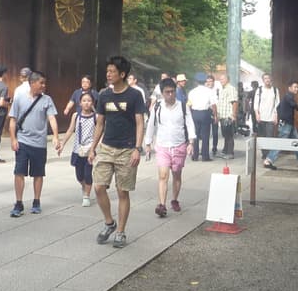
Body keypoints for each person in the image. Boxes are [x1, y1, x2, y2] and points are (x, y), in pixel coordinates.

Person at [88, 55, 146, 248]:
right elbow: (99, 123)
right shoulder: (104, 95)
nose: (109, 74)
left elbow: (140, 122)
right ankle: (109, 223)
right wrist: (92, 148)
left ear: (123, 74)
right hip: (106, 147)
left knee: (123, 192)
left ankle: (120, 232)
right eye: (108, 71)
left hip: (127, 149)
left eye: (112, 71)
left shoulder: (135, 95)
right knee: (98, 187)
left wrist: (138, 148)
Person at [8, 70, 60, 216]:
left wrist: (56, 136)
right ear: (32, 83)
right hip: (22, 141)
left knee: (38, 173)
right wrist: (13, 139)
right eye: (41, 83)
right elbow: (12, 120)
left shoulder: (47, 100)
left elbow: (52, 119)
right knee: (19, 172)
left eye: (44, 83)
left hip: (39, 143)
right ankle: (18, 203)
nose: (44, 86)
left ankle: (36, 201)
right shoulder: (19, 99)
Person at [145, 77, 196, 218]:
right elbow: (151, 125)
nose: (170, 95)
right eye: (167, 92)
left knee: (176, 174)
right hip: (162, 145)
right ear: (162, 93)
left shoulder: (183, 105)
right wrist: (148, 143)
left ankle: (174, 199)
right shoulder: (157, 107)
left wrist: (191, 142)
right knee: (163, 175)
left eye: (172, 91)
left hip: (179, 145)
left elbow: (190, 123)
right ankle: (161, 204)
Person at [264, 80, 298, 169]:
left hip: (289, 124)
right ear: (289, 88)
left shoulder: (287, 97)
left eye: (297, 87)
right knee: (281, 142)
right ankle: (268, 160)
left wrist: (281, 117)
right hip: (286, 124)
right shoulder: (288, 97)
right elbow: (297, 108)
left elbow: (278, 107)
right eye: (295, 87)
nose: (296, 89)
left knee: (296, 142)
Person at [58, 92, 97, 206]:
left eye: (89, 101)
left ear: (92, 103)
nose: (86, 103)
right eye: (84, 101)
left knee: (88, 174)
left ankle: (86, 196)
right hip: (77, 149)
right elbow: (70, 130)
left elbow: (100, 132)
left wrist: (95, 147)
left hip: (90, 150)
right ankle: (84, 187)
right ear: (80, 103)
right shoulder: (76, 116)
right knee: (79, 175)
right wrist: (62, 144)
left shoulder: (96, 116)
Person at [187, 75, 217, 161]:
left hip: (195, 114)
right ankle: (205, 156)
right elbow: (213, 105)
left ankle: (195, 155)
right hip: (205, 114)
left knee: (195, 134)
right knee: (205, 135)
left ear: (196, 82)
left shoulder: (192, 92)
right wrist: (215, 115)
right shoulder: (209, 91)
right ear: (205, 82)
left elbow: (189, 105)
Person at [254, 74, 280, 159]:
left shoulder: (275, 90)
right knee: (262, 136)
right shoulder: (260, 90)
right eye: (265, 78)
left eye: (268, 78)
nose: (267, 80)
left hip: (271, 117)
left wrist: (276, 116)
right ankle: (264, 153)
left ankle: (269, 155)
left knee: (270, 136)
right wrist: (257, 114)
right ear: (263, 80)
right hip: (261, 117)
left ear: (271, 79)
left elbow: (277, 104)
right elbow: (256, 103)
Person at [215, 73, 238, 159]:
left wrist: (233, 115)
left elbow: (234, 102)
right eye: (220, 79)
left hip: (228, 116)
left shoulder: (231, 88)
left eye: (223, 79)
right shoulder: (222, 89)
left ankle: (230, 153)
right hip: (222, 116)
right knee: (225, 135)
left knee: (229, 135)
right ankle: (225, 151)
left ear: (227, 79)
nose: (221, 81)